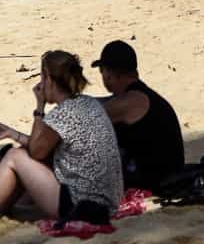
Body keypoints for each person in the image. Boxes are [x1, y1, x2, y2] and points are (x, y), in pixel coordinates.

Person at [0, 50, 123, 223]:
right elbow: (44, 146)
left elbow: (37, 152)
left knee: (14, 156)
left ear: (49, 80)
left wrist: (39, 107)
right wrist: (13, 133)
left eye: (43, 78)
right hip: (107, 201)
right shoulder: (89, 103)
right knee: (23, 153)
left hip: (82, 205)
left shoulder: (63, 114)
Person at [92, 41, 185, 191]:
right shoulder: (141, 95)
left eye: (101, 70)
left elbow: (83, 117)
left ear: (109, 74)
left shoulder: (131, 101)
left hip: (157, 182)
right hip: (162, 175)